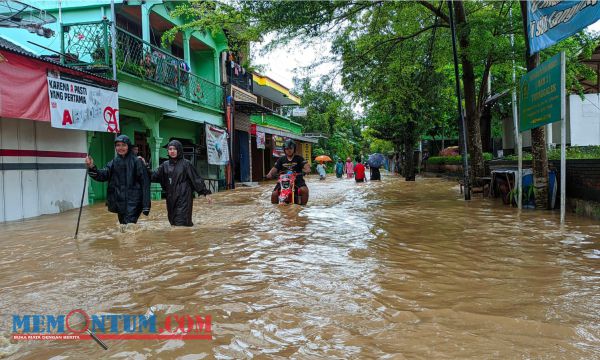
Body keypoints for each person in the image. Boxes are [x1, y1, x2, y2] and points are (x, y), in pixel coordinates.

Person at [85, 135, 150, 224]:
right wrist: (91, 166)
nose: (120, 148)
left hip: (134, 202)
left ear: (128, 146)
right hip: (120, 202)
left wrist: (146, 205)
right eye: (118, 145)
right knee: (123, 227)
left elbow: (145, 183)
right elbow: (103, 175)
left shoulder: (137, 162)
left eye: (123, 145)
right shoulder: (114, 162)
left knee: (129, 227)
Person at [150, 140, 212, 226]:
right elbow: (154, 176)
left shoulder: (186, 164)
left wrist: (205, 192)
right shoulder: (165, 165)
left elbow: (196, 179)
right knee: (173, 223)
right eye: (170, 149)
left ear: (179, 150)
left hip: (184, 199)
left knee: (182, 223)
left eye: (174, 149)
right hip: (171, 199)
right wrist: (142, 166)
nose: (172, 151)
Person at [266, 139, 311, 205]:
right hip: (283, 180)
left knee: (304, 190)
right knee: (274, 193)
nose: (289, 150)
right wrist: (269, 174)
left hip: (297, 179)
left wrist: (307, 170)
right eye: (287, 149)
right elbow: (275, 168)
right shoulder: (281, 159)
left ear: (294, 149)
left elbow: (306, 166)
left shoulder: (299, 158)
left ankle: (303, 207)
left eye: (290, 148)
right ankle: (275, 209)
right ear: (284, 150)